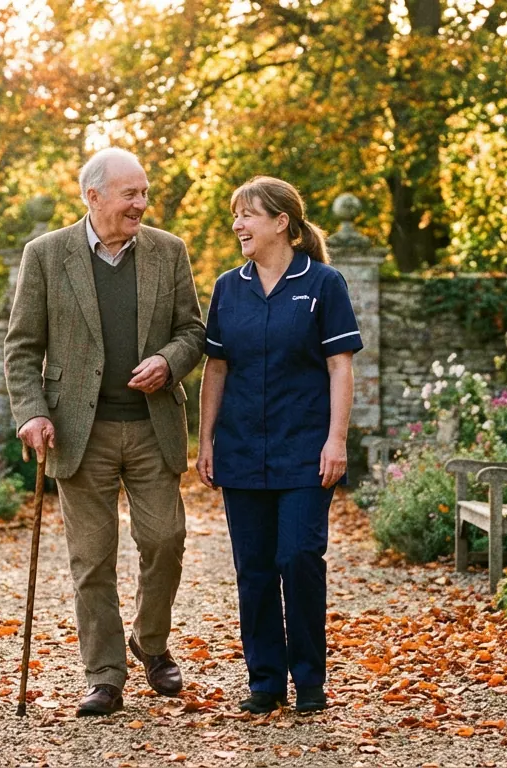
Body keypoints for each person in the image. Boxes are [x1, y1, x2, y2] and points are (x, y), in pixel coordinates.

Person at [3, 148, 206, 717]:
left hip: (151, 425)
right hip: (78, 432)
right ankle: (105, 674)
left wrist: (169, 360)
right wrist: (31, 412)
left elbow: (193, 330)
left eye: (144, 193)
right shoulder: (46, 255)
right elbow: (22, 346)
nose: (141, 203)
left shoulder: (169, 251)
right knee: (91, 558)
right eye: (130, 194)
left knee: (165, 540)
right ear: (93, 197)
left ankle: (150, 641)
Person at [197, 176, 362, 715]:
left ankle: (309, 679)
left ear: (280, 222)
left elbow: (340, 367)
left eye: (247, 215)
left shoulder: (324, 284)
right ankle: (265, 682)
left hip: (306, 450)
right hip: (241, 450)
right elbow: (216, 369)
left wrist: (337, 440)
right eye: (236, 216)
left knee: (299, 557)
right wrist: (205, 440)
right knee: (255, 569)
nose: (238, 225)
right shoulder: (228, 287)